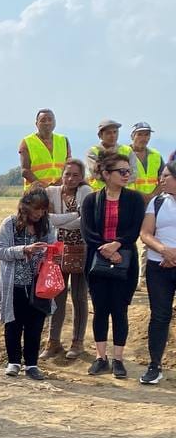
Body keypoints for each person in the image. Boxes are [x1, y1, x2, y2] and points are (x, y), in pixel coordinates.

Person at [80, 151, 146, 380]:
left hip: (125, 261)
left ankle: (118, 359)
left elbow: (135, 229)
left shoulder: (135, 199)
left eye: (129, 171)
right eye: (122, 171)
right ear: (106, 174)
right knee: (100, 310)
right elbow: (88, 232)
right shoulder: (91, 200)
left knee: (120, 310)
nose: (127, 175)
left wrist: (117, 245)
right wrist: (107, 250)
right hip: (97, 261)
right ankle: (101, 357)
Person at [0, 189, 59, 381]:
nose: (39, 213)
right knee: (13, 324)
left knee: (35, 325)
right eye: (37, 208)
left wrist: (52, 251)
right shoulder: (10, 224)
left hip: (38, 285)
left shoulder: (46, 227)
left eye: (43, 209)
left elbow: (52, 249)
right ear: (26, 206)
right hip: (13, 284)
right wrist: (23, 250)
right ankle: (13, 362)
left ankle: (32, 364)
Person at [43, 159, 92, 360]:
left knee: (79, 297)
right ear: (61, 174)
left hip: (82, 249)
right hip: (58, 249)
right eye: (67, 174)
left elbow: (84, 222)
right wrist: (72, 216)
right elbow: (48, 220)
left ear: (82, 177)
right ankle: (53, 341)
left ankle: (77, 342)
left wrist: (60, 221)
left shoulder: (86, 192)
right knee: (57, 295)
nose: (71, 179)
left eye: (75, 175)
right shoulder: (51, 192)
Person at [139, 162, 176, 384]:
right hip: (158, 266)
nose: (161, 180)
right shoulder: (158, 201)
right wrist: (164, 250)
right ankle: (155, 366)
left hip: (170, 261)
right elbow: (145, 233)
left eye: (166, 176)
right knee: (160, 316)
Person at [19, 109, 70, 190]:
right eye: (43, 120)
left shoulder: (63, 140)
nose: (47, 123)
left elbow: (69, 166)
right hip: (35, 193)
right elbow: (25, 171)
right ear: (37, 124)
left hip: (59, 190)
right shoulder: (27, 142)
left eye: (50, 120)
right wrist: (44, 187)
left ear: (55, 122)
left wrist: (56, 186)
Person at [86, 119, 134, 192]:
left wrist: (119, 184)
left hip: (125, 193)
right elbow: (95, 173)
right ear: (100, 135)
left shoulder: (127, 150)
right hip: (101, 192)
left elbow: (134, 173)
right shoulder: (93, 152)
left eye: (115, 132)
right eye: (108, 133)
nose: (113, 136)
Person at [128, 122, 163, 203]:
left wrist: (152, 196)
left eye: (147, 135)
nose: (143, 138)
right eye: (139, 134)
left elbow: (163, 179)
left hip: (153, 201)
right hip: (130, 200)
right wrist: (142, 196)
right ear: (132, 136)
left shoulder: (156, 155)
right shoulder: (124, 154)